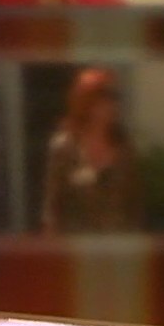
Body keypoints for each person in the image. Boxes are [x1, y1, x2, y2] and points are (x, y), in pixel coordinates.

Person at [40, 67, 143, 234]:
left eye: (116, 96)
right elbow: (52, 209)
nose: (114, 103)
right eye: (107, 95)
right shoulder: (64, 148)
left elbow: (135, 207)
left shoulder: (124, 148)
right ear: (87, 101)